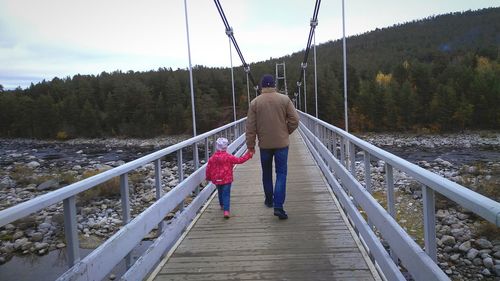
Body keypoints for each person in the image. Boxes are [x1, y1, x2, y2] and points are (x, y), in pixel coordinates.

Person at [246, 74, 299, 219]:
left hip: (265, 145)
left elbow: (250, 127)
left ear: (262, 86)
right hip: (282, 144)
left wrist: (250, 146)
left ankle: (269, 200)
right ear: (274, 85)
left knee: (267, 173)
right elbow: (295, 120)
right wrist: (285, 131)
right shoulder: (284, 99)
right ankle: (278, 206)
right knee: (281, 173)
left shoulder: (255, 103)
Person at [206, 137, 253, 218]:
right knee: (226, 194)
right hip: (227, 179)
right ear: (226, 147)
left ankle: (221, 205)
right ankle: (226, 211)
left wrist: (208, 177)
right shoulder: (228, 157)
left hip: (217, 179)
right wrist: (248, 155)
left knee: (220, 192)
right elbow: (239, 160)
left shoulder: (212, 158)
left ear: (217, 146)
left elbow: (208, 168)